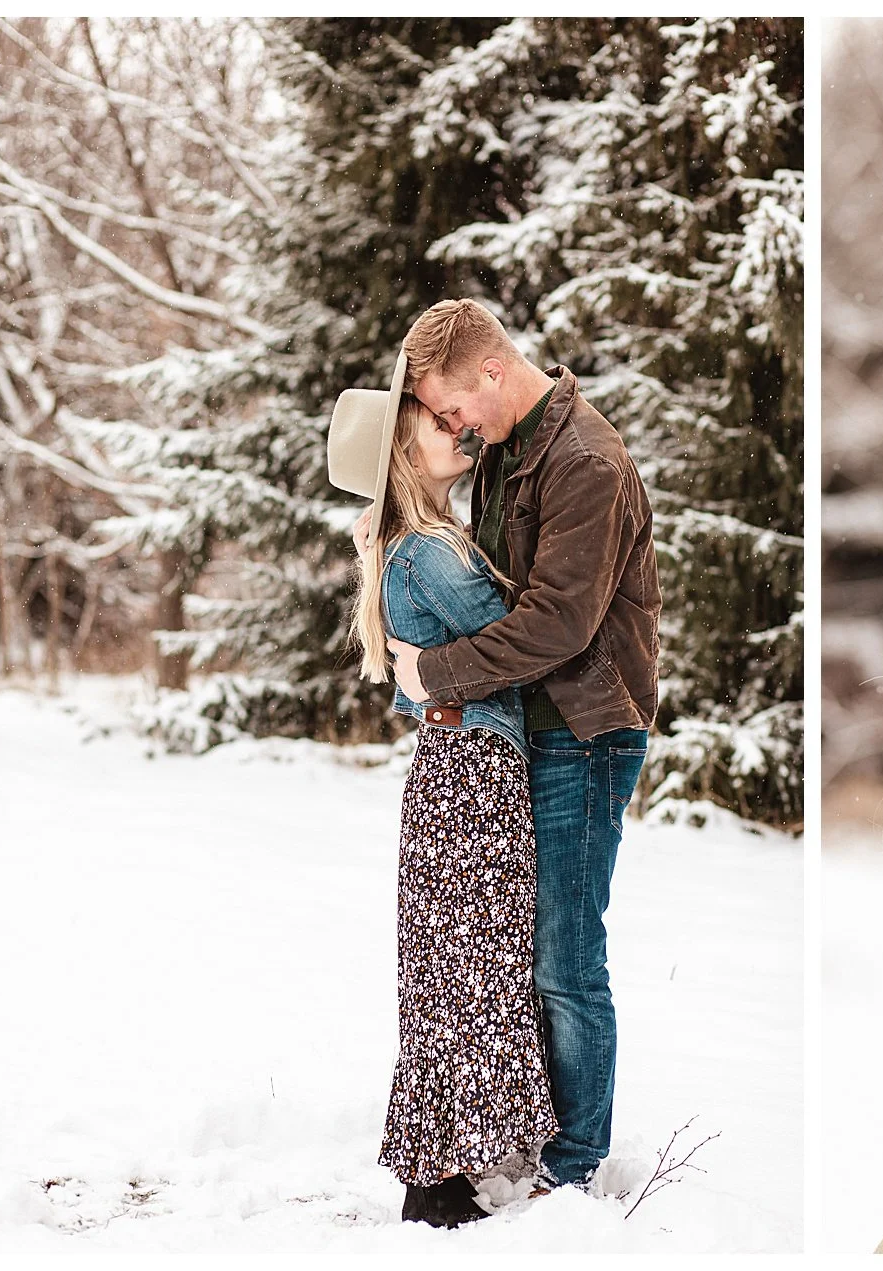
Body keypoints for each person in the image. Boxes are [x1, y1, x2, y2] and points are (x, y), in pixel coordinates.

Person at [361, 299, 661, 1194]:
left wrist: (434, 673)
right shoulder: (509, 451)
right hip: (527, 733)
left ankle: (571, 1169)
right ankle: (529, 1135)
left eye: (453, 406)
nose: (455, 426)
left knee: (566, 957)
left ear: (490, 371)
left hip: (582, 731)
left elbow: (557, 624)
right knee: (514, 949)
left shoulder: (584, 462)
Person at [330, 358, 558, 1227]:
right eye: (430, 421)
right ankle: (438, 1178)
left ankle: (448, 1157)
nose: (453, 427)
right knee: (467, 966)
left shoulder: (416, 543)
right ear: (400, 453)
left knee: (455, 966)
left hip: (456, 765)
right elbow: (524, 633)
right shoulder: (425, 551)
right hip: (470, 771)